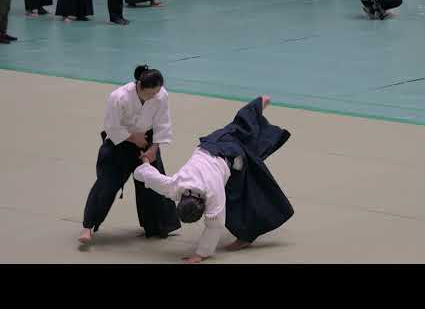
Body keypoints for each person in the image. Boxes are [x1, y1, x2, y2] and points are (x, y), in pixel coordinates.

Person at [134, 95, 294, 263]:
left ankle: (246, 236)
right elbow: (152, 177)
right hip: (214, 142)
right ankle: (257, 105)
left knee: (239, 198)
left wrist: (200, 255)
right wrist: (145, 162)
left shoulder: (211, 194)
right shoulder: (175, 186)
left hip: (232, 157)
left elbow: (214, 226)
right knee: (238, 128)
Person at [78, 65, 181, 244]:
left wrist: (153, 149)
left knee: (154, 182)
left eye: (157, 92)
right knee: (107, 184)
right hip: (120, 142)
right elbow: (112, 127)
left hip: (148, 141)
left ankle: (158, 226)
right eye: (150, 93)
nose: (155, 96)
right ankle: (88, 226)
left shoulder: (161, 95)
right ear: (140, 86)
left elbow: (162, 124)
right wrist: (134, 138)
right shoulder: (119, 97)